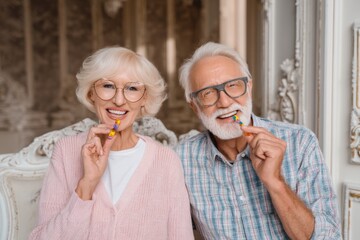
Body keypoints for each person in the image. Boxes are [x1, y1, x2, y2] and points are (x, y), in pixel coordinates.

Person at [175, 42, 341, 239]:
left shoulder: (300, 142)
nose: (225, 102)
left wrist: (275, 182)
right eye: (208, 93)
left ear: (249, 87)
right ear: (194, 106)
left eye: (233, 85)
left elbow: (327, 238)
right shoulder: (180, 160)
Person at [29, 46, 194, 240]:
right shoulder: (66, 151)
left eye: (132, 88)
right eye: (107, 86)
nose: (118, 100)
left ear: (144, 99)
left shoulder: (166, 160)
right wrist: (87, 184)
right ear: (91, 93)